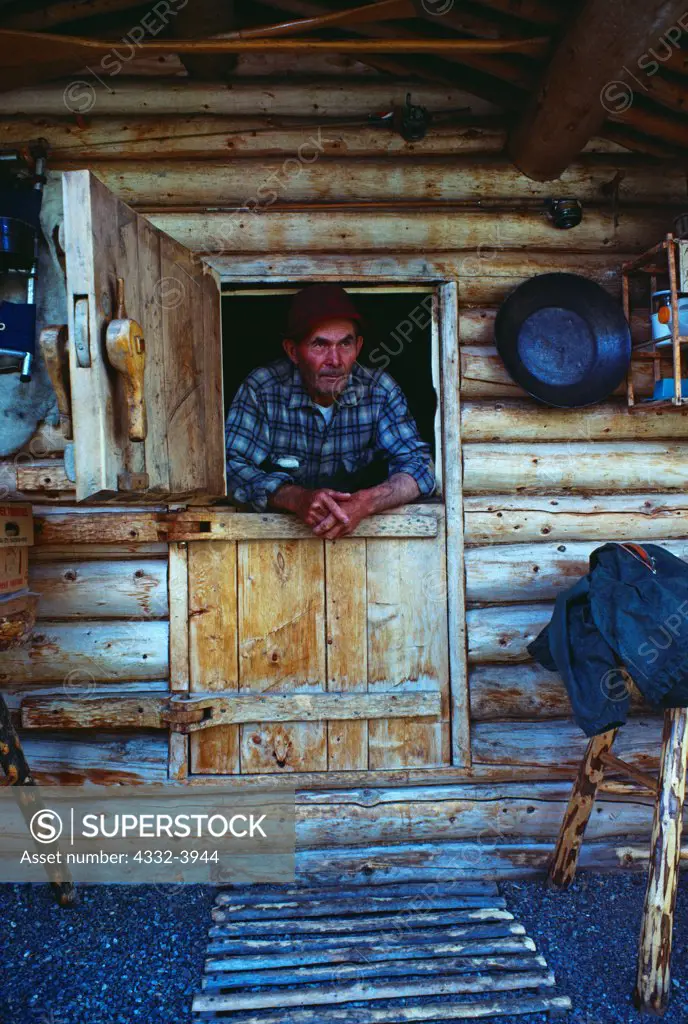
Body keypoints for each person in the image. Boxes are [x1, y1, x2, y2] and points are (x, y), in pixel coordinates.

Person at [224, 283, 436, 540]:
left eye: (345, 344)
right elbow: (229, 468)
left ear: (358, 347)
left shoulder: (379, 390)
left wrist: (366, 502)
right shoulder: (263, 389)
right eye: (320, 345)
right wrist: (293, 497)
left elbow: (420, 465)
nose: (335, 361)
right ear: (293, 351)